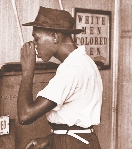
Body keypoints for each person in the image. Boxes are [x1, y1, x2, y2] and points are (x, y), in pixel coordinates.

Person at [17, 6, 103, 149]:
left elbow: (25, 116)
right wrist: (49, 139)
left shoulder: (72, 70)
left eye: (36, 38)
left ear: (55, 37)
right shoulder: (84, 62)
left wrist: (27, 71)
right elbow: (76, 119)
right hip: (79, 141)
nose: (34, 45)